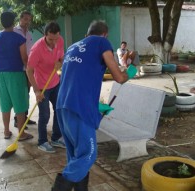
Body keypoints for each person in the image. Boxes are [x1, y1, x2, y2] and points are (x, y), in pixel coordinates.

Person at [52, 20, 136, 191]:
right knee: (88, 155)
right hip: (79, 107)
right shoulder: (101, 42)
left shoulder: (73, 46)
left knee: (76, 156)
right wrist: (129, 72)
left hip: (62, 105)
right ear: (104, 34)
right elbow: (119, 77)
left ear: (86, 35)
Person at [0, 11, 33, 141]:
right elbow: (24, 58)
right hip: (16, 74)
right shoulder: (18, 38)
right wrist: (30, 73)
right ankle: (21, 133)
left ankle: (6, 131)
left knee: (5, 104)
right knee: (20, 104)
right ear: (14, 22)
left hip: (1, 74)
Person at [26, 21, 66, 153]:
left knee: (59, 110)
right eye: (50, 39)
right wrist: (37, 91)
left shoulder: (59, 40)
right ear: (45, 35)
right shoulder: (37, 49)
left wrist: (60, 62)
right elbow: (29, 70)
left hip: (55, 82)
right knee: (44, 115)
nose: (54, 42)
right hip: (42, 86)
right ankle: (42, 141)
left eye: (56, 38)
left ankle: (55, 138)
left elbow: (61, 57)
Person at [13, 10, 36, 128]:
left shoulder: (29, 34)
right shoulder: (14, 31)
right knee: (19, 94)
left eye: (29, 20)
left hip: (28, 67)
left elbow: (31, 51)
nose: (27, 22)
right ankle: (17, 119)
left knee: (26, 93)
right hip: (18, 67)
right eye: (26, 19)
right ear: (20, 19)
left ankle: (24, 118)